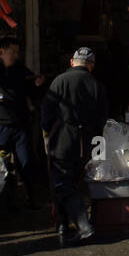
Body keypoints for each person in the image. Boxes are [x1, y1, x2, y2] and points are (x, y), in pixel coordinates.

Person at [42, 47, 109, 245]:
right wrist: (96, 140)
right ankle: (62, 224)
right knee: (70, 182)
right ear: (91, 65)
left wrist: (47, 131)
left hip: (62, 138)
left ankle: (83, 225)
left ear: (72, 62)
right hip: (87, 140)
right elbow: (102, 117)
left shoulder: (59, 81)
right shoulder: (96, 84)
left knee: (62, 183)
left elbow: (47, 111)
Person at [0, 36, 46, 205]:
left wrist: (38, 84)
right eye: (12, 51)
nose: (16, 55)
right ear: (1, 52)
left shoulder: (22, 71)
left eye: (17, 51)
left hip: (20, 126)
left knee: (27, 162)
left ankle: (33, 200)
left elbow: (35, 94)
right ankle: (3, 202)